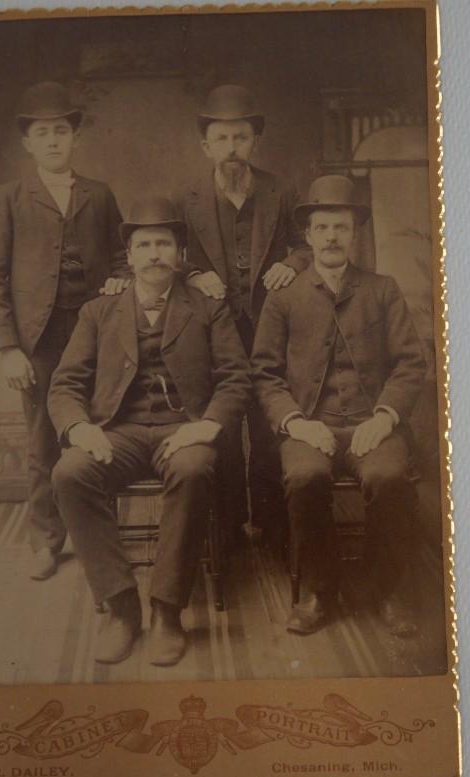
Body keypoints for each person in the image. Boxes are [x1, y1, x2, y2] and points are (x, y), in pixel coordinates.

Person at [48, 196, 250, 666]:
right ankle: (120, 607)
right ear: (131, 255)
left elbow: (237, 378)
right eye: (145, 245)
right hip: (118, 431)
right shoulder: (98, 312)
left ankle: (166, 610)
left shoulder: (207, 309)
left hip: (184, 429)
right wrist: (80, 428)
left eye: (164, 243)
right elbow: (64, 384)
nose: (155, 253)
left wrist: (207, 426)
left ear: (180, 255)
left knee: (196, 469)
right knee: (69, 473)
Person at [251, 175, 428, 636]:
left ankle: (386, 587)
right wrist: (296, 423)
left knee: (389, 478)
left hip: (373, 424)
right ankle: (319, 590)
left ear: (355, 235)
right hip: (311, 425)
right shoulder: (283, 297)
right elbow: (264, 373)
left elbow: (411, 364)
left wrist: (386, 417)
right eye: (323, 227)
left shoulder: (382, 290)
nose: (332, 236)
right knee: (305, 476)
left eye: (342, 227)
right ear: (307, 236)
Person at [0, 82, 129, 581]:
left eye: (61, 131)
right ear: (27, 143)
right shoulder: (8, 198)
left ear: (75, 137)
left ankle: (99, 537)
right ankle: (46, 539)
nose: (52, 141)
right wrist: (6, 348)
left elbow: (121, 258)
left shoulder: (100, 196)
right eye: (42, 133)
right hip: (38, 340)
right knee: (44, 441)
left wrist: (118, 278)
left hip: (93, 335)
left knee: (99, 431)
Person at [177, 84, 312, 544]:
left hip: (273, 325)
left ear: (255, 142)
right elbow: (174, 257)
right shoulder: (188, 198)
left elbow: (305, 246)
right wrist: (195, 274)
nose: (231, 148)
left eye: (240, 138)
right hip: (214, 328)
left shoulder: (281, 191)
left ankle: (273, 524)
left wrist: (288, 264)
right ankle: (230, 526)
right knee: (224, 423)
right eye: (221, 139)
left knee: (269, 420)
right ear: (206, 146)